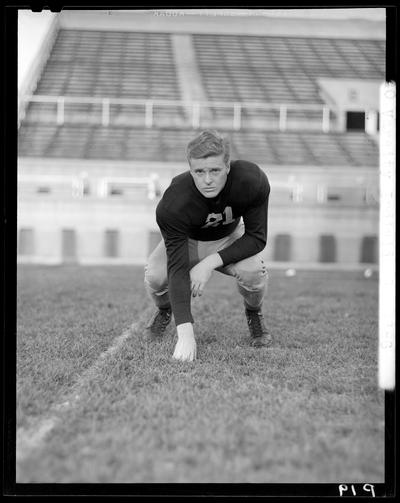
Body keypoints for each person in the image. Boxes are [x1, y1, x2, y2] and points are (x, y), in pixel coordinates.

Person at [144, 129, 272, 362]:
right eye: (199, 172)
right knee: (155, 275)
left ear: (228, 167)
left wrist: (209, 264)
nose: (208, 180)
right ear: (190, 169)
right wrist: (185, 334)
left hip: (229, 237)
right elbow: (177, 268)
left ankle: (253, 312)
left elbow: (257, 237)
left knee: (253, 272)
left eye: (215, 170)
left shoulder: (251, 180)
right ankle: (165, 309)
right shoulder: (174, 202)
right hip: (187, 241)